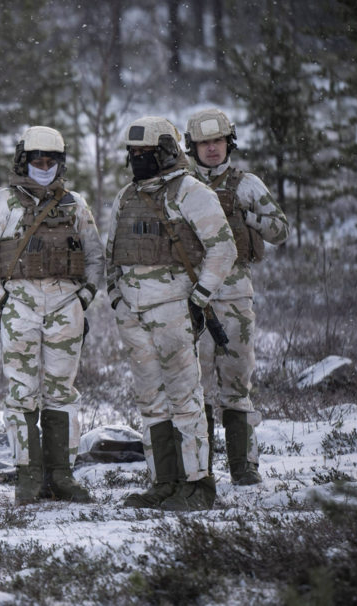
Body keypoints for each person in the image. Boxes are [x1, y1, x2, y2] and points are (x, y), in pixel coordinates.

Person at [105, 117, 236, 511]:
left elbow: (223, 248)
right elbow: (112, 254)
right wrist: (116, 299)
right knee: (151, 401)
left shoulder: (191, 192)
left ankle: (197, 485)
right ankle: (164, 482)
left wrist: (198, 298)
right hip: (133, 315)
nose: (138, 160)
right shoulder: (126, 196)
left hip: (175, 310)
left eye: (146, 153)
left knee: (184, 399)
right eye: (134, 154)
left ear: (165, 151)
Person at [0, 126, 104, 505]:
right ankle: (27, 476)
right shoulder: (3, 202)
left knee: (62, 392)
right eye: (36, 160)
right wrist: (1, 296)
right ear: (23, 161)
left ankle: (62, 475)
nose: (43, 166)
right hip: (20, 307)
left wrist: (84, 298)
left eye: (51, 161)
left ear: (61, 163)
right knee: (21, 393)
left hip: (65, 306)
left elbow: (95, 257)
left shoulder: (75, 204)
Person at [185, 108, 289, 485]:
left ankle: (244, 468)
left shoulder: (247, 185)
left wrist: (245, 214)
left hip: (233, 298)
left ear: (229, 143)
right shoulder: (179, 185)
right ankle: (199, 469)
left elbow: (280, 230)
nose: (212, 150)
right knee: (191, 388)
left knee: (236, 385)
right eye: (203, 143)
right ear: (191, 146)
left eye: (218, 142)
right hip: (191, 298)